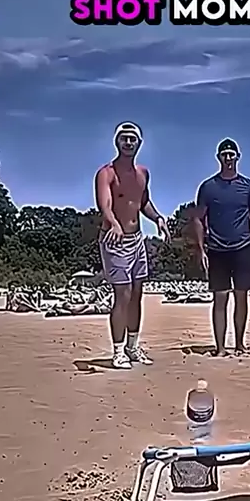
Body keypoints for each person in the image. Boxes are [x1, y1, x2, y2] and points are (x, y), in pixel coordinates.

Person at [95, 122, 170, 369]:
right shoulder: (106, 173)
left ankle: (132, 346)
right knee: (123, 294)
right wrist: (114, 223)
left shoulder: (143, 173)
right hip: (115, 240)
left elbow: (143, 201)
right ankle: (118, 350)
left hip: (137, 240)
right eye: (124, 138)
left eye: (132, 139)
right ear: (117, 142)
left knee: (137, 293)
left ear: (139, 143)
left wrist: (158, 218)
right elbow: (105, 204)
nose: (128, 142)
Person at [193, 138, 250, 356]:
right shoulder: (208, 187)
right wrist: (201, 249)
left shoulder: (249, 187)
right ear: (219, 158)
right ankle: (220, 348)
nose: (228, 158)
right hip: (217, 249)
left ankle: (240, 344)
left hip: (244, 248)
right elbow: (198, 219)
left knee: (241, 297)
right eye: (224, 155)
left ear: (238, 157)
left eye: (231, 154)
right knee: (220, 298)